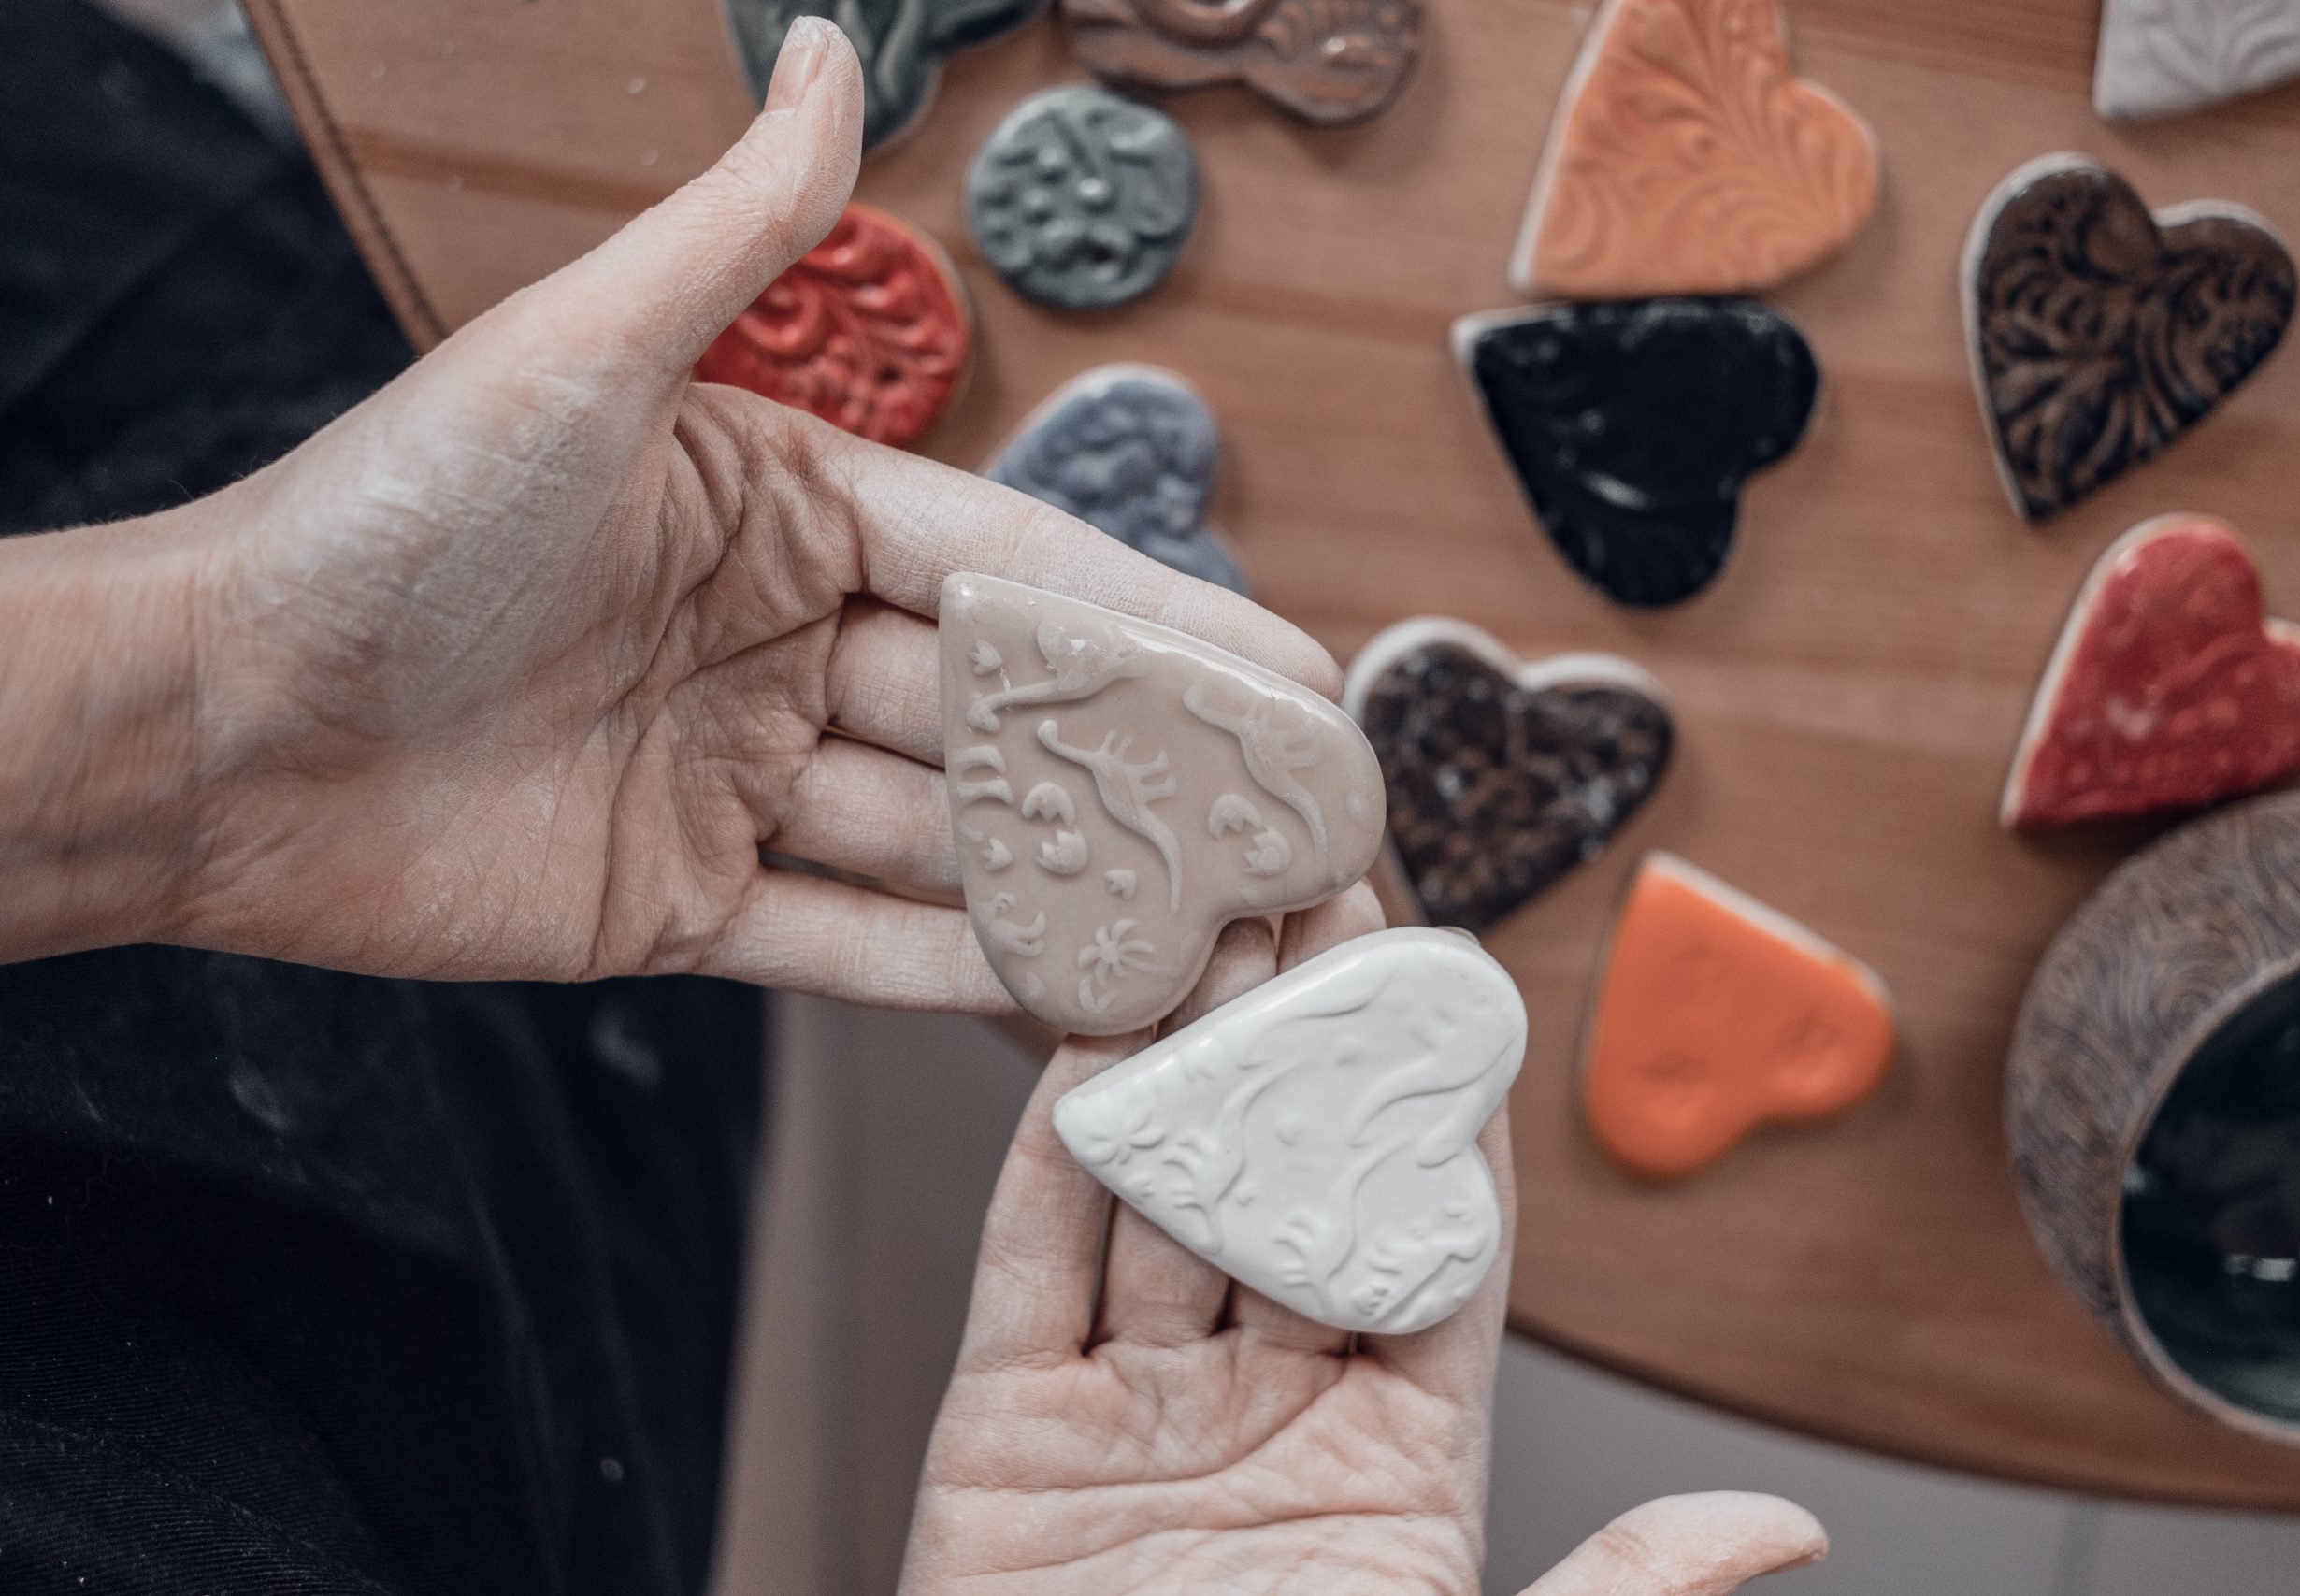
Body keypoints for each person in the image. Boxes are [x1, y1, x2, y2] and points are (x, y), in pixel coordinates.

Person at [0, 14, 1824, 1591]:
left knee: (201, 273)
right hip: (383, 1312)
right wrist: (202, 738)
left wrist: (203, 719)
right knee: (257, 316)